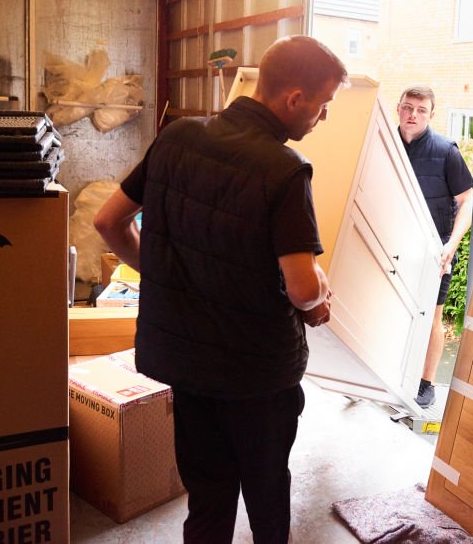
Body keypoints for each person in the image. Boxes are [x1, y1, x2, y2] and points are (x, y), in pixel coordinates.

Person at [93, 35, 348, 544]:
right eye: (323, 107)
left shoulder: (177, 137)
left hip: (186, 365)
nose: (323, 119)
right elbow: (301, 289)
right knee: (267, 493)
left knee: (207, 497)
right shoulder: (285, 169)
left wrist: (163, 272)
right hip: (257, 374)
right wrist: (319, 296)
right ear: (294, 99)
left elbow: (108, 222)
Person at [396, 85, 473, 409]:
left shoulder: (446, 151)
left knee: (432, 318)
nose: (413, 115)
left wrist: (451, 246)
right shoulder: (386, 144)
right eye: (408, 107)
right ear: (398, 108)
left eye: (421, 109)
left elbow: (467, 201)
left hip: (435, 251)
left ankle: (426, 383)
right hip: (394, 243)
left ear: (431, 114)